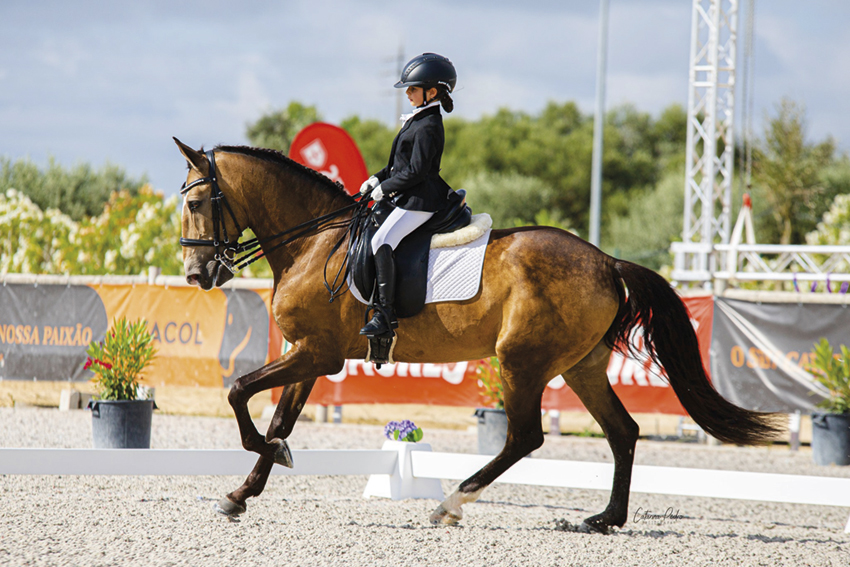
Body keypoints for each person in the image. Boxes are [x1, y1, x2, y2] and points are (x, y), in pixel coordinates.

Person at [358, 52, 458, 338]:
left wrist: (385, 188)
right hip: (407, 196)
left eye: (413, 89)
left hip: (421, 200)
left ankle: (385, 313)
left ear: (432, 91)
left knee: (381, 240)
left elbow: (416, 171)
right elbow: (396, 166)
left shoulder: (429, 125)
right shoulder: (417, 120)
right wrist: (376, 178)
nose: (409, 94)